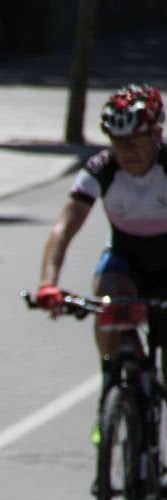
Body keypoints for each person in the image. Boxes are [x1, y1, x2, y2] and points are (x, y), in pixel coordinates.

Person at [38, 83, 167, 393]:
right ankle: (113, 384)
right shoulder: (102, 169)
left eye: (136, 141)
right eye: (119, 143)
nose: (128, 152)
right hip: (125, 259)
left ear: (156, 136)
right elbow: (64, 226)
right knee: (109, 306)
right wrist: (48, 283)